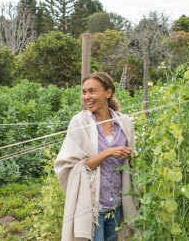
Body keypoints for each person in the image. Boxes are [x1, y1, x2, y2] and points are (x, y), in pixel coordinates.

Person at [55, 72, 139, 241]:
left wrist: (132, 157)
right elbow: (71, 166)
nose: (87, 97)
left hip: (117, 205)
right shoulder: (80, 123)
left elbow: (131, 164)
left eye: (92, 91)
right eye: (84, 92)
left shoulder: (125, 122)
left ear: (108, 93)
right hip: (93, 207)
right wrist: (107, 153)